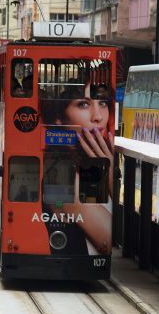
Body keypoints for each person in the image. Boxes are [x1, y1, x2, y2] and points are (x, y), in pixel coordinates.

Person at [39, 80, 114, 256]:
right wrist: (111, 178)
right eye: (83, 104)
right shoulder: (64, 180)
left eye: (103, 103)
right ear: (59, 118)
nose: (98, 116)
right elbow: (116, 244)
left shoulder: (90, 165)